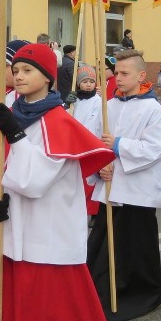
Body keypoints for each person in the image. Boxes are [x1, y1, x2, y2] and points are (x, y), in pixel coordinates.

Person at [0, 43, 118, 321]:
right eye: (16, 70)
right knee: (8, 314)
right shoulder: (5, 115)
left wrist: (15, 135)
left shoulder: (60, 122)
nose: (19, 76)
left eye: (28, 71)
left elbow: (35, 181)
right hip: (8, 234)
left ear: (49, 78)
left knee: (47, 317)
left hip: (46, 236)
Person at [87, 50, 161, 321]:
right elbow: (93, 140)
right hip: (110, 190)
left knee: (135, 249)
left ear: (141, 75)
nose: (118, 78)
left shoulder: (154, 111)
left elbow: (154, 150)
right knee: (102, 248)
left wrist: (120, 146)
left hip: (138, 193)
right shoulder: (108, 106)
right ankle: (100, 298)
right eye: (117, 73)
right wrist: (101, 163)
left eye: (125, 74)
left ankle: (143, 296)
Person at [69, 63, 103, 219]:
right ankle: (79, 210)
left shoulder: (98, 101)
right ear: (78, 83)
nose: (88, 85)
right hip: (75, 145)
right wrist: (65, 104)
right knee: (77, 179)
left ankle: (93, 212)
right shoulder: (74, 101)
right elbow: (67, 119)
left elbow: (94, 122)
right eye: (84, 81)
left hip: (89, 143)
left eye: (91, 81)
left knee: (91, 179)